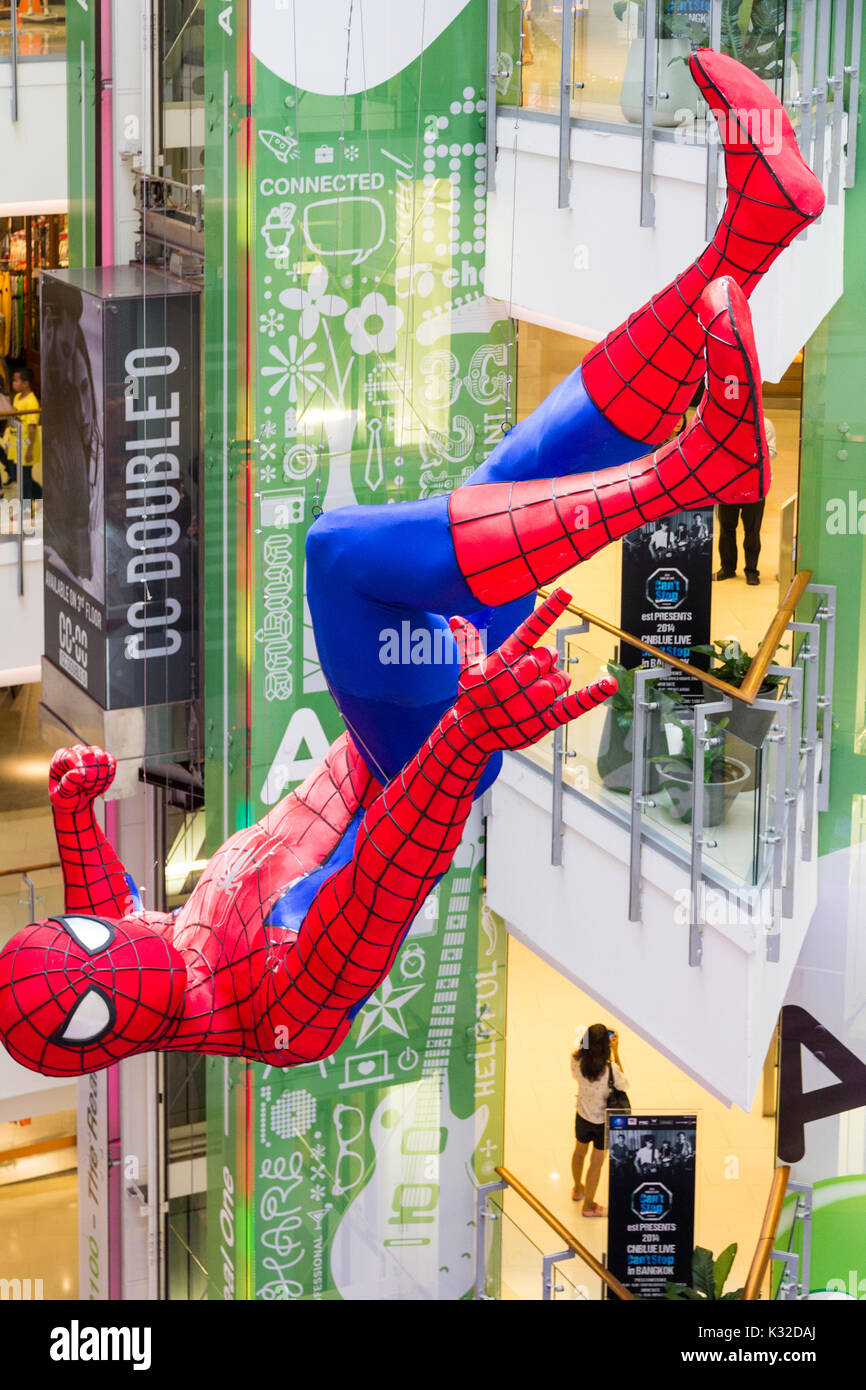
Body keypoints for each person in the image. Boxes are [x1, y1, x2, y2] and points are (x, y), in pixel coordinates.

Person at [0, 50, 824, 1080]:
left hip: (403, 722)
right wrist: (471, 728)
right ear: (115, 1033)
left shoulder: (144, 965)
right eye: (98, 960)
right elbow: (387, 878)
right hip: (414, 758)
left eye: (90, 936)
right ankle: (692, 474)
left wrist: (78, 816)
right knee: (342, 562)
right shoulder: (273, 1002)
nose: (110, 928)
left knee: (536, 470)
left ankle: (756, 224)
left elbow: (108, 930)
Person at [570, 1024, 629, 1217]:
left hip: (583, 1116)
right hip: (604, 1121)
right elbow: (624, 1084)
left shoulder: (575, 1060)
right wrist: (616, 1052)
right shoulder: (610, 1069)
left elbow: (576, 1071)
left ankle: (578, 1188)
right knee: (596, 1163)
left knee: (579, 1152)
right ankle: (589, 1206)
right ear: (606, 1045)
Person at [716, 416, 777, 585]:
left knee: (752, 530)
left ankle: (751, 571)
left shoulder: (765, 424)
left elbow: (771, 453)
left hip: (754, 485)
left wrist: (750, 451)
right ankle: (727, 568)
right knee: (726, 528)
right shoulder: (729, 422)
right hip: (730, 484)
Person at [3, 365, 42, 501]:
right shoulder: (17, 397)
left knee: (24, 478)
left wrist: (30, 449)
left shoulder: (31, 402)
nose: (13, 383)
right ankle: (40, 493)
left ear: (25, 384)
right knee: (17, 475)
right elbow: (13, 422)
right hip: (16, 443)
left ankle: (26, 509)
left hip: (26, 446)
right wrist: (8, 443)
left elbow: (32, 428)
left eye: (16, 380)